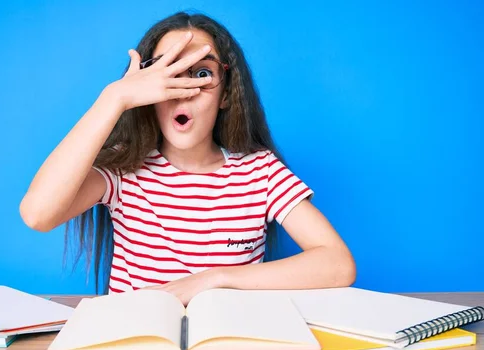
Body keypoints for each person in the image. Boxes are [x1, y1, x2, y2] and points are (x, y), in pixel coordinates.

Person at [19, 11, 356, 305]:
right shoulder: (122, 171)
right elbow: (37, 215)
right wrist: (115, 97)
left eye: (201, 74)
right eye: (168, 73)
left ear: (226, 94)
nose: (184, 92)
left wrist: (214, 279)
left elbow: (338, 264)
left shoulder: (260, 172)